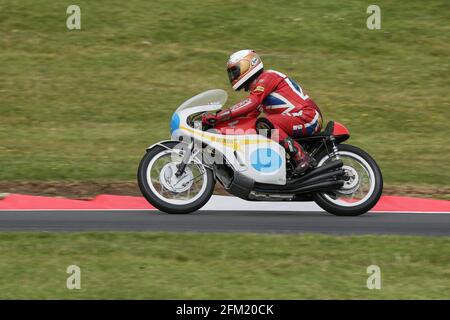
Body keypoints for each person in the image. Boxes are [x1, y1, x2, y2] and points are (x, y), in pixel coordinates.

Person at [202, 49, 323, 175]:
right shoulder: (259, 90)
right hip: (299, 118)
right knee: (257, 126)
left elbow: (252, 102)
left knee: (265, 122)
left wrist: (221, 115)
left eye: (235, 70)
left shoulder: (267, 77)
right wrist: (219, 125)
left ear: (248, 64)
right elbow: (248, 116)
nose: (232, 76)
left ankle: (302, 156)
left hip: (308, 116)